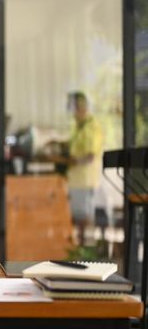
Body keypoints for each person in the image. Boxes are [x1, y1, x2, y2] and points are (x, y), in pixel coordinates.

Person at [47, 91, 103, 246]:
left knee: (84, 217)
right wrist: (58, 144)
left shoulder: (92, 127)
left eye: (73, 108)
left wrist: (63, 160)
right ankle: (79, 249)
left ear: (81, 107)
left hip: (84, 180)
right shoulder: (79, 126)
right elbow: (74, 145)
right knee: (77, 217)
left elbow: (89, 156)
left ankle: (86, 251)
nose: (72, 112)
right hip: (76, 180)